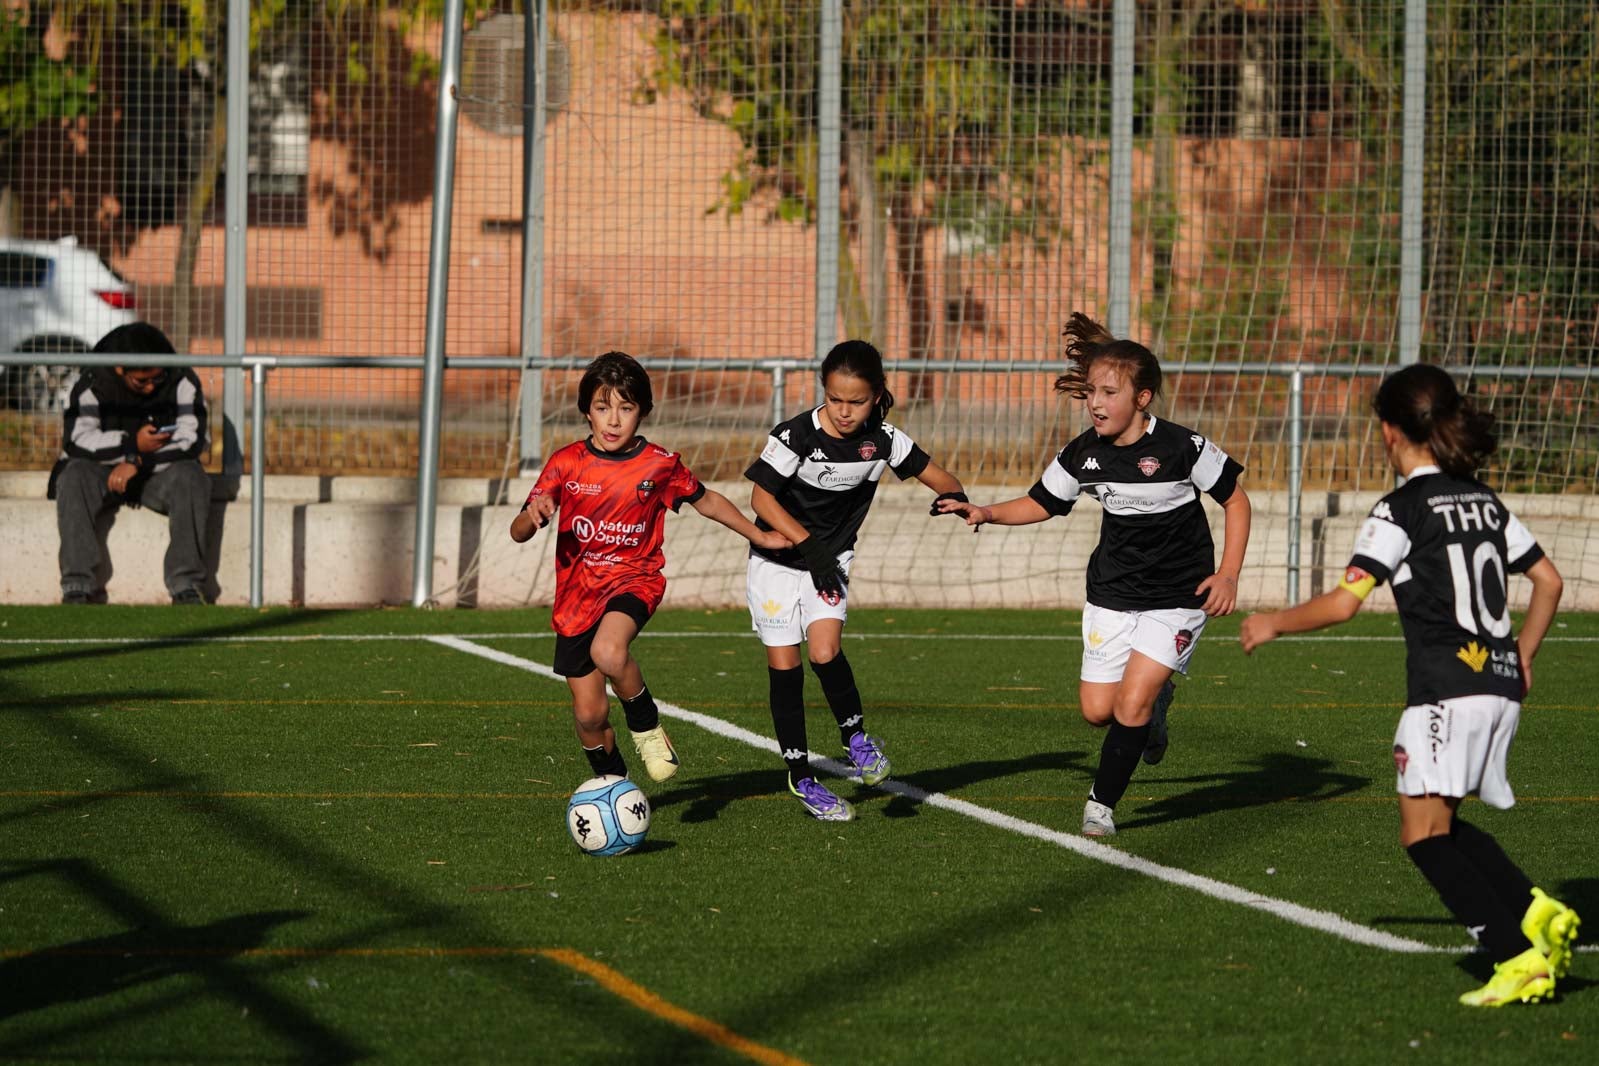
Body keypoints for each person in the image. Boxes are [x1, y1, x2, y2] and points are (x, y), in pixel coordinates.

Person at [1240, 363, 1578, 1008]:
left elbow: (1345, 602)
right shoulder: (1483, 500)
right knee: (1440, 821)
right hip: (1499, 681)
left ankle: (1518, 959)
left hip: (1446, 689)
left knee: (1421, 836)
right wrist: (1523, 657)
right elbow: (1551, 582)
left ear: (1391, 433)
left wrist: (1272, 622)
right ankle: (1535, 912)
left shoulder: (1400, 508)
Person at [938, 312, 1252, 837]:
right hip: (1111, 594)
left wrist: (1228, 575)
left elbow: (1237, 502)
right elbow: (1041, 502)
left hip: (1178, 595)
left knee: (1131, 700)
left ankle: (1100, 806)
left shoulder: (1182, 448)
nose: (1096, 403)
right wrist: (986, 512)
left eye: (1109, 392)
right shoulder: (1083, 454)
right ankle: (1155, 712)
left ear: (1143, 398)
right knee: (1097, 710)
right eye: (1090, 393)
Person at [512, 351, 788, 787]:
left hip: (633, 582)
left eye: (626, 407)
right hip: (576, 599)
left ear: (643, 411)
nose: (614, 420)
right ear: (587, 411)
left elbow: (707, 500)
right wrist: (534, 513)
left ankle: (646, 726)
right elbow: (518, 531)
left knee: (609, 651)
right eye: (603, 408)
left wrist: (760, 536)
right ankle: (614, 788)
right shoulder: (566, 463)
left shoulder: (659, 464)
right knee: (589, 716)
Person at [745, 339, 968, 821]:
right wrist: (808, 543)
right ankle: (802, 778)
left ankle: (856, 739)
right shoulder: (796, 436)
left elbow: (942, 478)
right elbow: (762, 501)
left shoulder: (885, 440)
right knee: (787, 667)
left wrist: (954, 498)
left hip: (831, 561)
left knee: (825, 651)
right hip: (779, 562)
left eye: (857, 401)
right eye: (835, 399)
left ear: (877, 395)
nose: (844, 412)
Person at [47, 322, 212, 605]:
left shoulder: (182, 378)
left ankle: (186, 585)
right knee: (73, 476)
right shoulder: (92, 380)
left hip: (157, 474)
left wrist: (139, 460)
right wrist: (131, 447)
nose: (150, 387)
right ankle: (76, 585)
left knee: (192, 477)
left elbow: (193, 439)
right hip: (103, 472)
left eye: (156, 380)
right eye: (141, 381)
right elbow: (77, 440)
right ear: (120, 368)